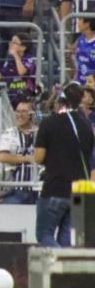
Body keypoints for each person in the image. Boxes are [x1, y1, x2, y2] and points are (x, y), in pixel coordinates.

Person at [33, 83, 95, 247]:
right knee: (67, 241)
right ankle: (66, 270)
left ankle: (60, 262)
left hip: (55, 188)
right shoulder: (87, 125)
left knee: (44, 234)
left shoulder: (49, 123)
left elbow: (39, 157)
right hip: (79, 192)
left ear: (61, 100)